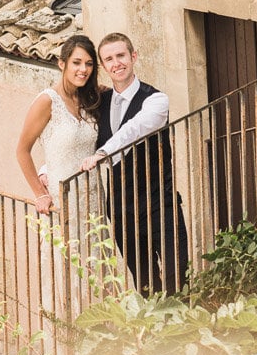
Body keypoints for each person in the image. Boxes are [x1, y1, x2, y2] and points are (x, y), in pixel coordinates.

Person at [79, 32, 190, 294]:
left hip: (159, 203)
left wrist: (103, 153)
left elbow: (135, 129)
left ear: (133, 57)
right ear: (103, 66)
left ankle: (182, 334)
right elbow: (80, 140)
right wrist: (47, 169)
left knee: (179, 280)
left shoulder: (155, 100)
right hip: (121, 210)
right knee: (145, 284)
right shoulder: (99, 103)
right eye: (109, 59)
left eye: (121, 56)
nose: (116, 63)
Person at [16, 34, 101, 217]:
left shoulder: (89, 98)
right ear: (62, 64)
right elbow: (22, 150)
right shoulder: (47, 101)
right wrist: (40, 194)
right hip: (62, 198)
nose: (83, 69)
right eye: (76, 62)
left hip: (93, 199)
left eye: (89, 64)